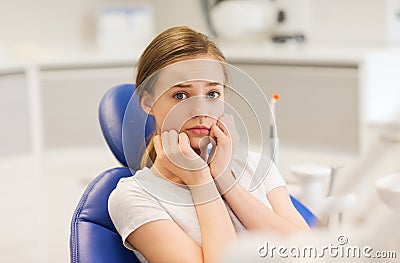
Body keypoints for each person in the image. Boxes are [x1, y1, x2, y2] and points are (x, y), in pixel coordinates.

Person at [108, 26, 310, 263]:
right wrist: (200, 181)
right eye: (181, 95)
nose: (201, 111)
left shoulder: (255, 166)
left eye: (212, 94)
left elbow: (309, 253)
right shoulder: (134, 197)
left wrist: (226, 182)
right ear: (148, 102)